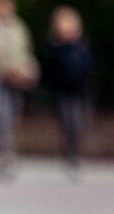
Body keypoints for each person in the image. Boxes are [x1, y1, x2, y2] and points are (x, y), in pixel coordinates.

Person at [0, 0, 38, 176]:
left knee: (12, 119)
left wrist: (28, 69)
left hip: (17, 81)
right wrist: (6, 69)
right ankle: (0, 155)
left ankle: (8, 154)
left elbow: (25, 52)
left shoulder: (19, 27)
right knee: (1, 118)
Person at [44, 6, 92, 175]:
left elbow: (89, 66)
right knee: (67, 123)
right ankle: (68, 154)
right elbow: (52, 69)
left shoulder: (81, 46)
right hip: (63, 93)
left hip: (79, 92)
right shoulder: (57, 47)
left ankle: (75, 154)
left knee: (77, 123)